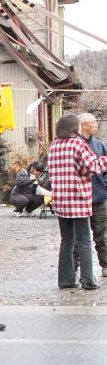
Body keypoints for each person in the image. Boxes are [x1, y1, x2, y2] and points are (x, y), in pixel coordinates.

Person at [48, 113, 107, 290]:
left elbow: (76, 168)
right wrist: (104, 159)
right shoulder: (78, 143)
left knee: (67, 240)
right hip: (78, 199)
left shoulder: (54, 145)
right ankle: (88, 280)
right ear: (74, 127)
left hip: (60, 200)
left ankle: (65, 280)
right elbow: (94, 167)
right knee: (84, 240)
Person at [78, 113, 107, 277]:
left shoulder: (100, 145)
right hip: (80, 198)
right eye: (93, 122)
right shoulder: (75, 145)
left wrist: (105, 185)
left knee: (102, 235)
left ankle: (105, 265)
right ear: (83, 125)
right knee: (78, 238)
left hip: (99, 196)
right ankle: (76, 267)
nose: (96, 125)